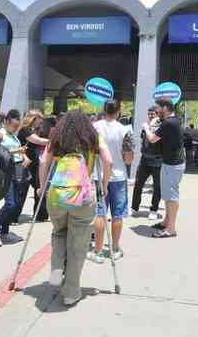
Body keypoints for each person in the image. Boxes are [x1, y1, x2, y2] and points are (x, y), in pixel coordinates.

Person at [39, 110, 113, 306]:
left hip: (56, 194)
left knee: (59, 232)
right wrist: (104, 185)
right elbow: (108, 161)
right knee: (78, 243)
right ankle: (71, 292)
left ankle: (56, 268)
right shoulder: (93, 137)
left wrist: (41, 188)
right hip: (83, 196)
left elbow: (43, 162)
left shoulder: (56, 136)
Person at [88, 100, 133, 263]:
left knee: (99, 213)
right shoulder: (125, 130)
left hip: (98, 175)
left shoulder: (94, 127)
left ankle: (98, 250)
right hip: (119, 176)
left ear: (103, 110)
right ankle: (114, 248)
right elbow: (129, 159)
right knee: (117, 214)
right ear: (119, 111)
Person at [0, 109, 31, 247]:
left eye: (17, 126)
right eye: (14, 125)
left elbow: (17, 151)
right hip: (5, 172)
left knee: (16, 203)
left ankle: (4, 231)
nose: (16, 128)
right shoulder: (0, 133)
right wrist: (16, 151)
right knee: (10, 203)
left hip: (17, 170)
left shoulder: (13, 136)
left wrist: (24, 157)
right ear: (7, 122)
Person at [143, 98, 185, 238]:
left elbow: (152, 139)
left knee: (171, 197)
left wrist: (146, 127)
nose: (156, 112)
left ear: (165, 108)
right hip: (171, 163)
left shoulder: (168, 123)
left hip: (172, 164)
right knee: (167, 195)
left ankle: (171, 229)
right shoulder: (173, 121)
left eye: (158, 109)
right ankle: (166, 221)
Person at [17, 110, 50, 223]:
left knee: (39, 188)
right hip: (25, 163)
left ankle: (41, 214)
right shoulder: (24, 130)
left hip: (35, 163)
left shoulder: (32, 130)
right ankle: (14, 215)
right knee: (22, 191)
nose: (40, 124)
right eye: (39, 121)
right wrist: (54, 141)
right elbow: (38, 141)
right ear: (33, 119)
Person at [131, 106, 162, 220]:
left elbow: (153, 138)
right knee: (138, 183)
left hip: (158, 160)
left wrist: (149, 128)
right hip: (145, 159)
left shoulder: (160, 127)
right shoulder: (145, 127)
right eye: (149, 114)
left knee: (157, 187)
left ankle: (154, 210)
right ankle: (134, 208)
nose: (150, 116)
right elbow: (142, 140)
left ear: (158, 115)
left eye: (153, 114)